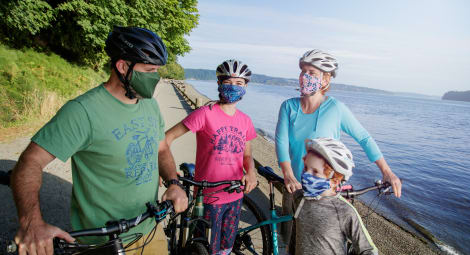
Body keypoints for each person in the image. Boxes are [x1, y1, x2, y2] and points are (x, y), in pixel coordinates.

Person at [10, 26, 188, 255]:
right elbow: (29, 163)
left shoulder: (149, 104)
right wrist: (31, 224)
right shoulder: (82, 112)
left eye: (158, 70)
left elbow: (161, 148)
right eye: (150, 70)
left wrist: (173, 183)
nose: (156, 77)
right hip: (104, 243)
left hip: (150, 230)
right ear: (123, 67)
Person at [275, 49, 402, 247]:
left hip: (325, 191)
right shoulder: (288, 106)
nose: (305, 77)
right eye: (303, 71)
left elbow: (364, 138)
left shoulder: (336, 108)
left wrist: (386, 171)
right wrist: (288, 174)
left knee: (323, 244)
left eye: (312, 73)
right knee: (290, 240)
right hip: (295, 187)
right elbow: (281, 142)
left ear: (325, 80)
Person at [165, 59, 258, 255]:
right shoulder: (204, 114)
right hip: (208, 195)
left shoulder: (246, 120)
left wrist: (250, 172)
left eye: (239, 83)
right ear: (219, 83)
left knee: (226, 247)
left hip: (235, 193)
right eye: (228, 82)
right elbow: (167, 138)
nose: (233, 87)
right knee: (207, 248)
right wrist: (165, 172)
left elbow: (247, 154)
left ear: (246, 86)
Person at [293, 138, 378, 255]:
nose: (306, 174)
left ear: (335, 181)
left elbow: (367, 249)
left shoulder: (344, 211)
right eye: (305, 168)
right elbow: (296, 231)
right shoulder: (299, 198)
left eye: (315, 172)